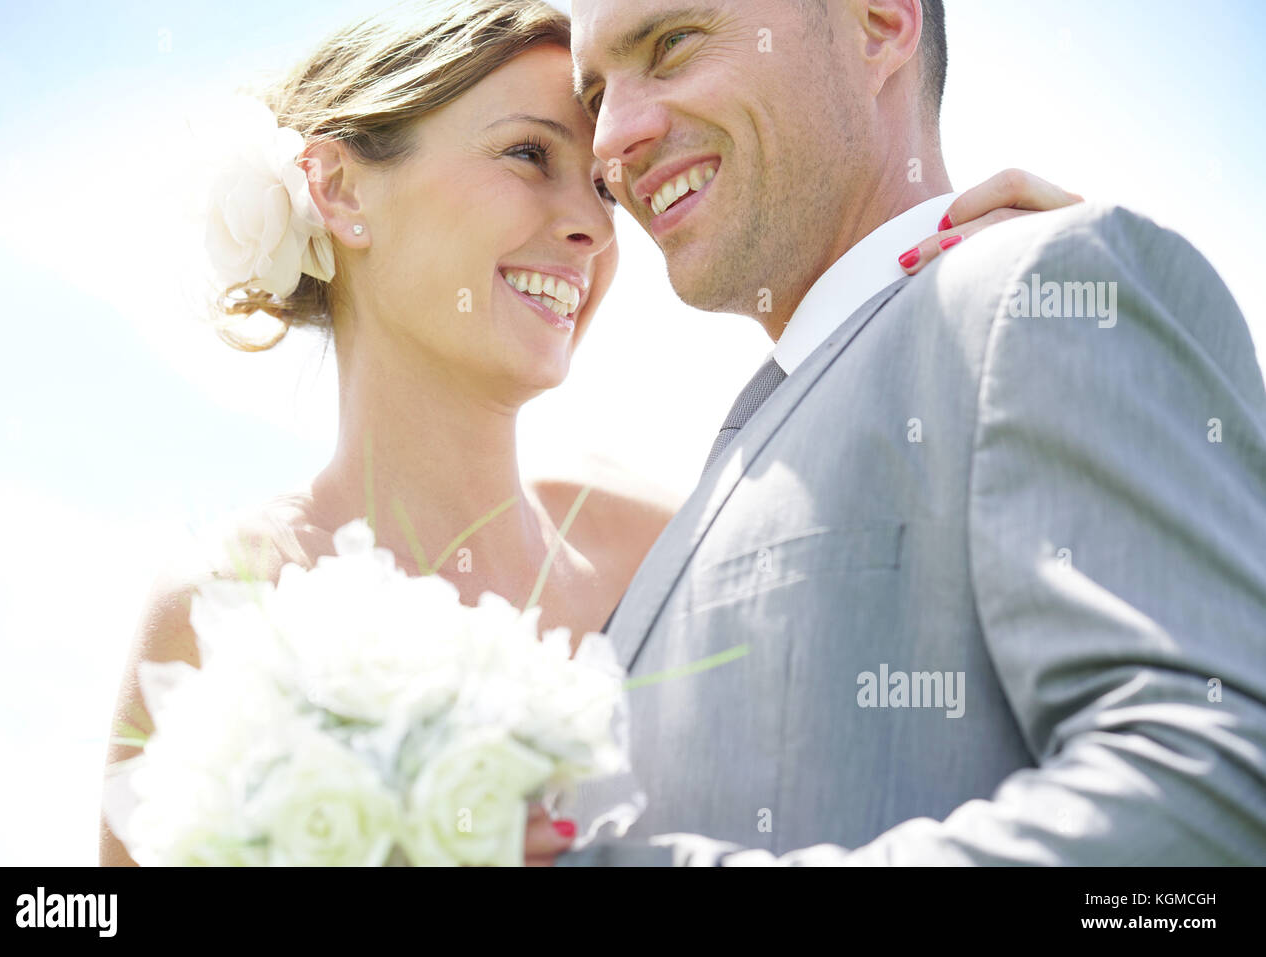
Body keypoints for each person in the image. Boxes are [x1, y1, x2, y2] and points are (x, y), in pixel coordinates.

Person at [99, 0, 1085, 866]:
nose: (592, 226)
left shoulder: (668, 541)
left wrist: (966, 304)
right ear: (342, 190)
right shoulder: (215, 608)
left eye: (603, 188)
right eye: (529, 156)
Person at [564, 0, 1266, 865]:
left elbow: (1222, 803)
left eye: (672, 43)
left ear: (879, 22)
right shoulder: (743, 442)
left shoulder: (1039, 292)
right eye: (594, 92)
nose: (608, 138)